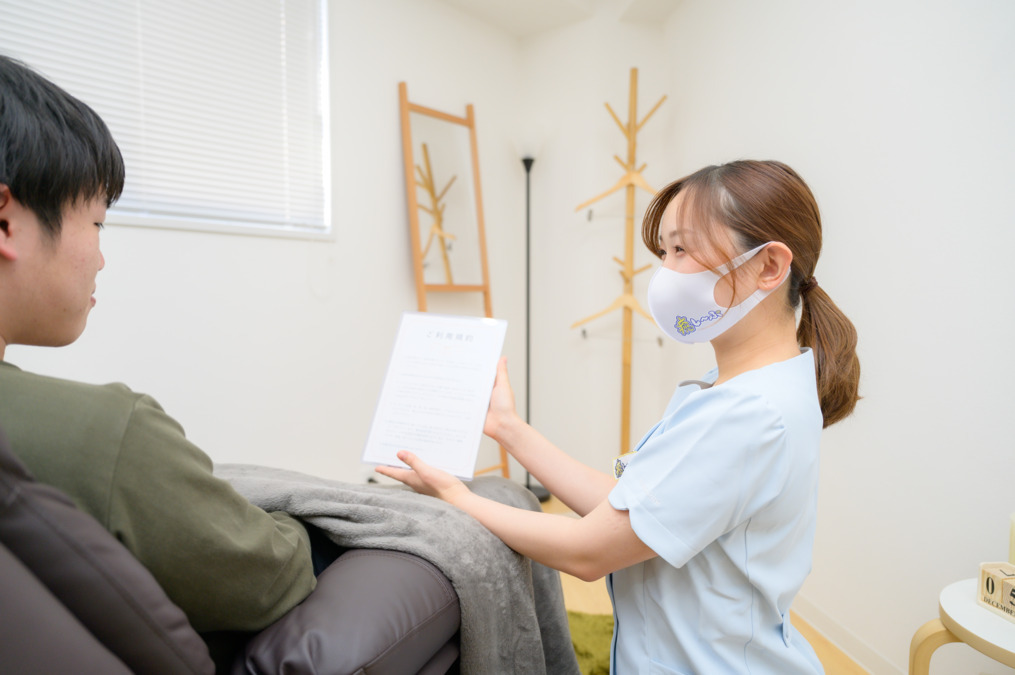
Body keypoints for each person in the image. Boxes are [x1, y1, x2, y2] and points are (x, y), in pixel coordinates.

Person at [379, 159, 861, 673]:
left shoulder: (747, 415)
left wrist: (455, 495)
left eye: (682, 249)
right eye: (664, 252)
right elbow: (631, 511)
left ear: (768, 266)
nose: (665, 272)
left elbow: (589, 552)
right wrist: (507, 429)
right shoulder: (754, 390)